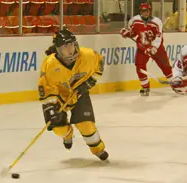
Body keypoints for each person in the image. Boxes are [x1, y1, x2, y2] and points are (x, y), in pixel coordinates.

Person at [37, 28, 108, 161]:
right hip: (59, 97)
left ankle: (98, 149)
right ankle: (68, 135)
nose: (70, 50)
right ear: (58, 50)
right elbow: (46, 88)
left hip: (79, 93)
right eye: (65, 47)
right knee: (59, 128)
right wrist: (51, 108)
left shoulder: (88, 55)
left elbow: (99, 65)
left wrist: (89, 82)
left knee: (86, 124)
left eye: (71, 45)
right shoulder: (50, 64)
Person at [120, 3, 173, 96]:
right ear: (140, 12)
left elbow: (159, 36)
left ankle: (174, 84)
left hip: (156, 48)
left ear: (150, 11)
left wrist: (154, 47)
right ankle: (145, 87)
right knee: (139, 66)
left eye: (147, 11)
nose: (145, 13)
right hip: (142, 48)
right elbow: (133, 33)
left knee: (165, 66)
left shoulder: (157, 21)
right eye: (143, 11)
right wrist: (127, 33)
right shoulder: (135, 20)